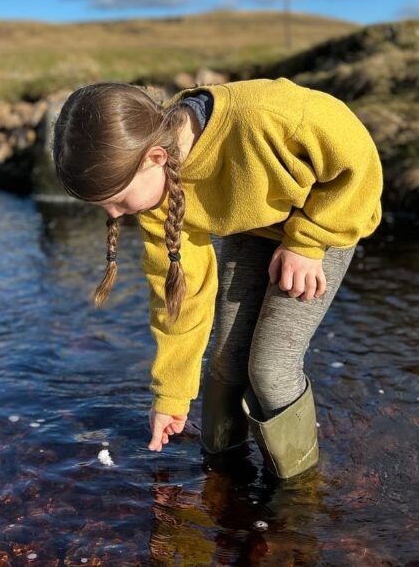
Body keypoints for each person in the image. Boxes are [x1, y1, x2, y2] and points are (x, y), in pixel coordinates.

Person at [52, 77, 383, 479]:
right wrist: (171, 396)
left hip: (325, 218)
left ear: (155, 157)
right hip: (256, 226)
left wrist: (308, 243)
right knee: (225, 360)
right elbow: (179, 297)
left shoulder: (264, 117)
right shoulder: (158, 196)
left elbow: (359, 161)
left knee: (270, 369)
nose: (116, 215)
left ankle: (299, 492)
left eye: (119, 200)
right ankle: (222, 472)